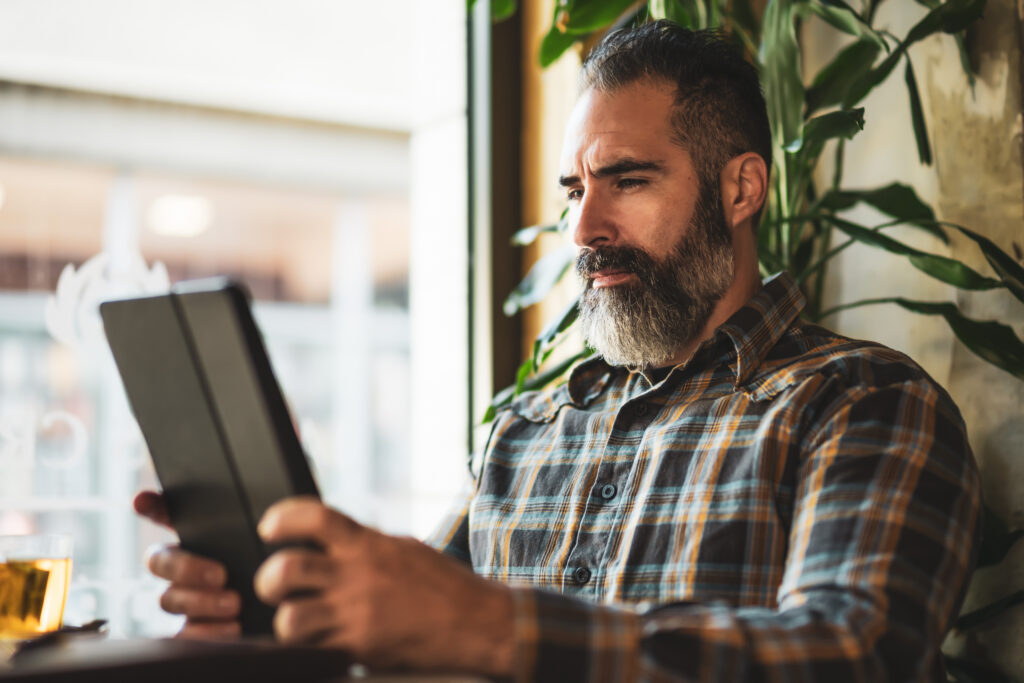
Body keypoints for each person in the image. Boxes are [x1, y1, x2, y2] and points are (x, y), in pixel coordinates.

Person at [135, 22, 981, 682]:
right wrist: (278, 608)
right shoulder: (528, 431)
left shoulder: (861, 401)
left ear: (741, 188)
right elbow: (417, 628)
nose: (583, 229)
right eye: (575, 189)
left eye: (628, 180)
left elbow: (853, 657)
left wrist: (489, 626)